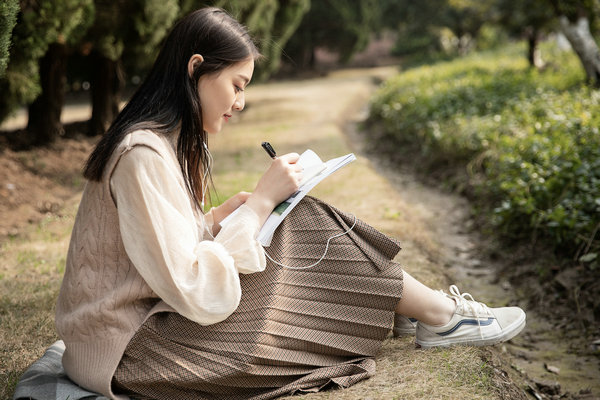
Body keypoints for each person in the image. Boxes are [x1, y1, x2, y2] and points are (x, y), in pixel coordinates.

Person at [54, 7, 526, 400]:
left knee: (291, 216)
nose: (239, 102)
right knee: (294, 220)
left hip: (146, 333)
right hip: (134, 354)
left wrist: (221, 216)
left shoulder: (162, 144)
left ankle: (423, 311)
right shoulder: (143, 153)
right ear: (195, 68)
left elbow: (159, 248)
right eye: (236, 85)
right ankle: (435, 315)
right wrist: (259, 203)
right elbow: (194, 288)